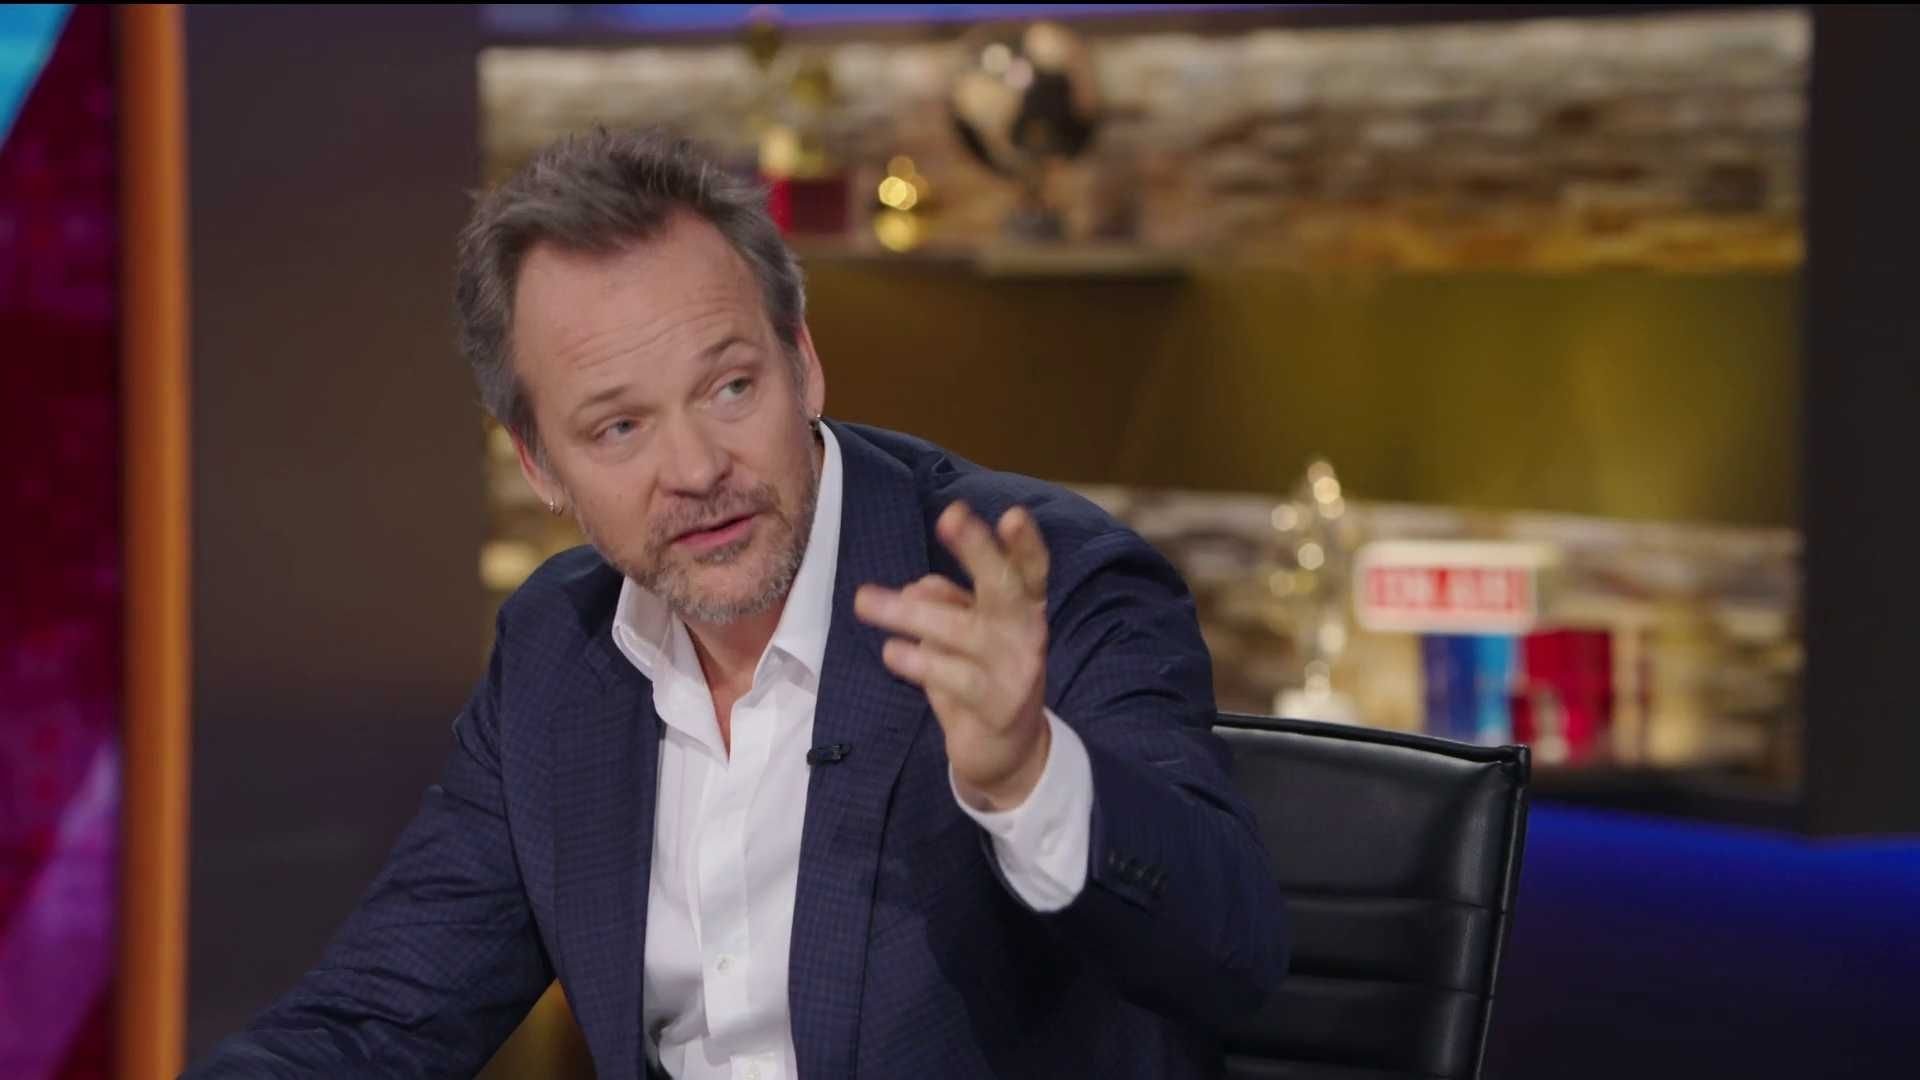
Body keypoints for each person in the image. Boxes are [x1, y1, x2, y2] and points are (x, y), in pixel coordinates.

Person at [184, 129, 1287, 1080]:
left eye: (729, 387)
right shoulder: (559, 653)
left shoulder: (1041, 584)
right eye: (620, 427)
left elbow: (1233, 951)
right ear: (540, 465)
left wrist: (1027, 774)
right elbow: (375, 1020)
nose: (696, 468)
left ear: (802, 364)